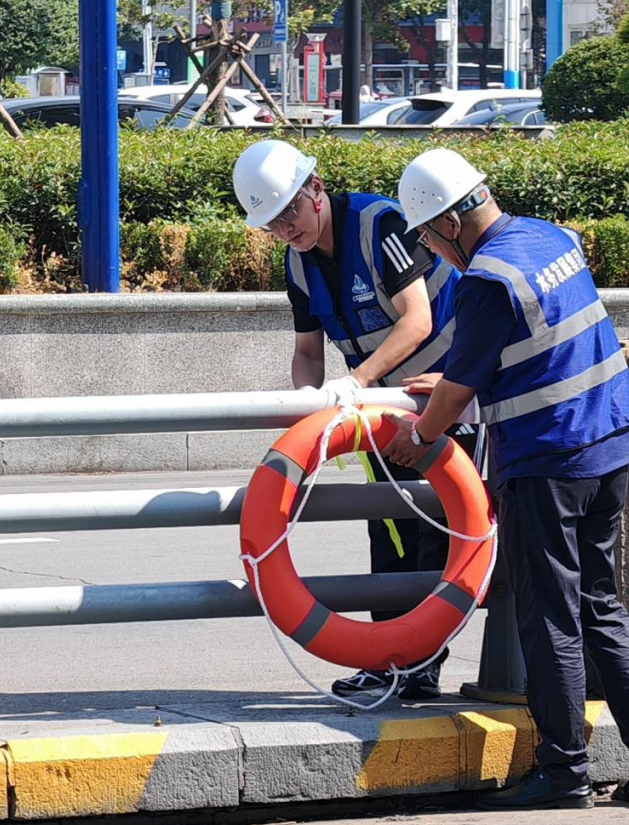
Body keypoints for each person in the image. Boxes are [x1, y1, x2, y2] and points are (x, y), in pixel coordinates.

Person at [381, 147, 629, 810]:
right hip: (609, 440)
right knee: (600, 602)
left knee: (550, 617)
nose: (433, 252)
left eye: (430, 239)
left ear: (451, 223)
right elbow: (534, 344)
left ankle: (564, 767)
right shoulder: (549, 237)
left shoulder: (486, 278)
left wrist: (421, 434)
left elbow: (457, 393)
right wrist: (460, 377)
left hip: (549, 457)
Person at [232, 139, 477, 701]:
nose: (285, 228)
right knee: (387, 527)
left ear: (315, 187)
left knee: (434, 530)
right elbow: (307, 354)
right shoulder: (296, 262)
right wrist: (309, 414)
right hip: (374, 414)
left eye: (290, 211)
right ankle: (387, 656)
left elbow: (417, 321)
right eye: (271, 223)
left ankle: (421, 662)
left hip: (443, 399)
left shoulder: (379, 224)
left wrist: (357, 383)